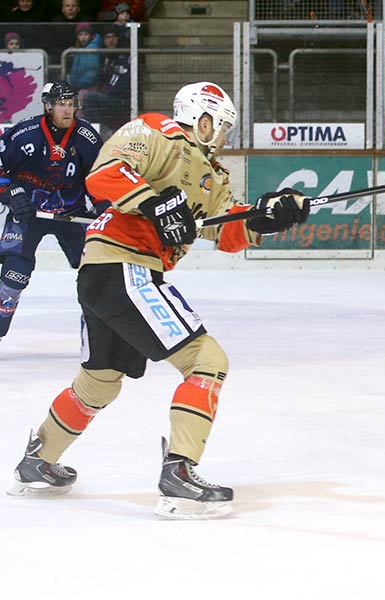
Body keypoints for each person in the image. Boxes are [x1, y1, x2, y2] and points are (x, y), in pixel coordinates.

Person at [8, 81, 311, 519]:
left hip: (111, 275)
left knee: (99, 383)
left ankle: (37, 462)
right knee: (207, 361)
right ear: (202, 119)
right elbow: (104, 173)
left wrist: (271, 215)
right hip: (121, 266)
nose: (223, 136)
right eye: (220, 126)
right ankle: (180, 475)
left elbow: (224, 229)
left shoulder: (212, 175)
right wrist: (156, 203)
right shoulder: (157, 131)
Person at [0, 81, 102, 342]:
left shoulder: (86, 137)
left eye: (70, 104)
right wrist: (10, 193)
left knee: (98, 269)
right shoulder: (25, 133)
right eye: (61, 104)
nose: (67, 110)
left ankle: (97, 335)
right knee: (14, 274)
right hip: (28, 214)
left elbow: (101, 177)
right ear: (48, 106)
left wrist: (104, 207)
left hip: (72, 211)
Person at [80, 24, 130, 136]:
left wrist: (106, 91)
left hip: (121, 100)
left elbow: (123, 83)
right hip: (106, 97)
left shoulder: (126, 57)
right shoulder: (103, 56)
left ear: (118, 38)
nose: (110, 40)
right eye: (107, 37)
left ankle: (98, 132)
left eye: (113, 37)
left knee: (89, 97)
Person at [67, 23, 102, 92]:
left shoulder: (92, 48)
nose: (83, 37)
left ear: (91, 36)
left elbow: (92, 71)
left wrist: (76, 85)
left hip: (87, 87)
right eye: (80, 35)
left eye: (86, 34)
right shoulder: (80, 49)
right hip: (79, 86)